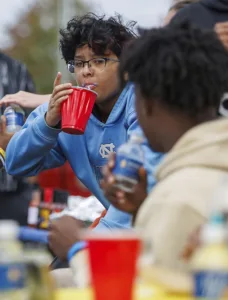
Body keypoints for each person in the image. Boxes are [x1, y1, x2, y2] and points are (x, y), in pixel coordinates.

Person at [6, 13, 162, 244]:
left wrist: (84, 244)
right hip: (116, 234)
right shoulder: (65, 107)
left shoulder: (142, 102)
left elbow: (137, 187)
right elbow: (16, 164)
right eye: (79, 63)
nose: (86, 71)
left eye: (99, 60)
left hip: (160, 226)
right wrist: (49, 123)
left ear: (127, 68)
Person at [102, 21, 228, 272]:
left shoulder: (175, 200)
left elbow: (153, 287)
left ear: (147, 104)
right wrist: (141, 209)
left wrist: (75, 248)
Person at [0, 52, 45, 225]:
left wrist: (34, 186)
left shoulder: (16, 70)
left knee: (16, 248)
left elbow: (34, 124)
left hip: (15, 188)